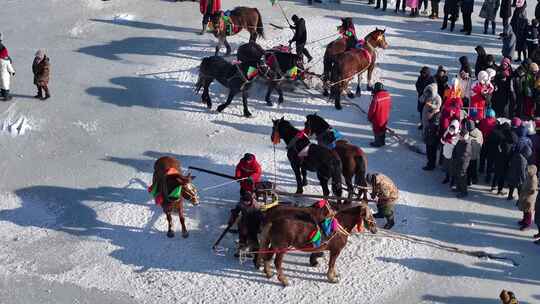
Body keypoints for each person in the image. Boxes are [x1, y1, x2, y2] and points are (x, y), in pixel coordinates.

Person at [507, 125, 532, 200]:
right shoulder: (528, 140)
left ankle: (510, 195)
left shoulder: (517, 139)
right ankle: (520, 199)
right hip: (523, 160)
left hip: (515, 159)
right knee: (520, 181)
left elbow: (512, 149)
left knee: (513, 178)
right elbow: (530, 150)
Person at [367, 82, 392, 147]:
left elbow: (372, 109)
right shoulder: (387, 95)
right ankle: (382, 141)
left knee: (376, 129)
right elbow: (389, 105)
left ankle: (377, 142)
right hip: (385, 115)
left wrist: (369, 117)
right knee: (383, 128)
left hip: (377, 117)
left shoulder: (376, 97)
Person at [452, 127, 472, 197]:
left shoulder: (467, 143)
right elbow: (455, 148)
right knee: (457, 174)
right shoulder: (460, 140)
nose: (459, 137)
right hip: (457, 160)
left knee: (462, 176)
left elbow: (465, 155)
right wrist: (454, 156)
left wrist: (458, 159)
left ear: (464, 136)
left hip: (463, 162)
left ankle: (464, 191)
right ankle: (458, 188)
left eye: (460, 136)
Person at [479, 109, 498, 179]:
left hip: (484, 142)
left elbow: (480, 129)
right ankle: (488, 175)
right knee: (490, 159)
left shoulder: (483, 121)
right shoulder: (495, 122)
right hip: (492, 144)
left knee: (482, 156)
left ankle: (481, 169)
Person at [517, 164, 537, 230]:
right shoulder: (529, 176)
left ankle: (527, 224)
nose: (527, 171)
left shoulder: (533, 178)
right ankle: (524, 220)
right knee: (525, 210)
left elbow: (533, 191)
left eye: (529, 170)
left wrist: (525, 193)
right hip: (525, 197)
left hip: (529, 198)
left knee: (528, 211)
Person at [423, 103, 441, 170]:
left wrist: (427, 138)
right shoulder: (434, 119)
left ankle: (430, 165)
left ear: (432, 113)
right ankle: (431, 164)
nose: (427, 115)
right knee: (431, 153)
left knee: (431, 153)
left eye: (429, 114)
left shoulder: (434, 122)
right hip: (431, 140)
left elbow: (431, 132)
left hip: (431, 141)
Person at [441, 119, 460, 184]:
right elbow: (442, 140)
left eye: (453, 128)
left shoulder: (458, 134)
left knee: (452, 167)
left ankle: (453, 180)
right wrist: (444, 140)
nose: (451, 129)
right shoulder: (447, 131)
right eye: (451, 127)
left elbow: (456, 143)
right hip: (446, 152)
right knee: (447, 166)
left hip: (453, 154)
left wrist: (450, 141)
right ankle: (447, 177)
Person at [466, 120, 484, 185]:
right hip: (476, 154)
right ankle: (474, 179)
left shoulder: (467, 135)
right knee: (474, 167)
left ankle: (468, 180)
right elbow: (481, 142)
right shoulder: (479, 132)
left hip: (469, 155)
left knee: (468, 168)